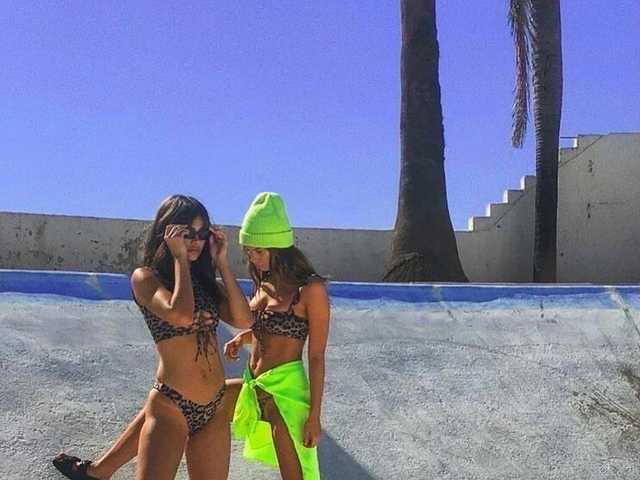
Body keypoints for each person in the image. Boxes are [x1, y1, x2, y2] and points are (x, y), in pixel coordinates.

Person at [53, 194, 252, 480]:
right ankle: (98, 472)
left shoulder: (206, 284)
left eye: (201, 234)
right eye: (187, 233)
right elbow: (180, 315)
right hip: (172, 406)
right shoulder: (146, 278)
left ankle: (97, 472)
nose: (195, 241)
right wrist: (179, 259)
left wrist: (222, 263)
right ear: (167, 233)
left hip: (214, 408)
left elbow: (244, 320)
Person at [224, 192, 330, 480]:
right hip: (254, 385)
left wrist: (314, 416)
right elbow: (270, 329)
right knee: (201, 401)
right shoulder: (264, 282)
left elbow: (316, 356)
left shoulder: (310, 290)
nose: (253, 258)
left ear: (279, 247)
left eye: (259, 251)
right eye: (249, 251)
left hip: (286, 393)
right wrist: (242, 338)